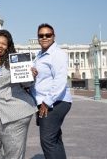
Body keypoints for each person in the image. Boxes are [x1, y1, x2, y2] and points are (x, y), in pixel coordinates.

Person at [0, 30, 37, 159]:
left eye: (4, 44)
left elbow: (27, 84)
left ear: (8, 46)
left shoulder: (14, 62)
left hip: (13, 114)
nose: (0, 46)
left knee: (13, 154)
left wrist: (30, 75)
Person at [31, 23, 72, 159]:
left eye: (47, 35)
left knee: (47, 141)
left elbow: (60, 81)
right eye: (41, 35)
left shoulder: (57, 54)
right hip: (48, 101)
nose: (44, 38)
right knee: (54, 139)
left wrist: (46, 103)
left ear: (53, 36)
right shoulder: (40, 55)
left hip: (55, 102)